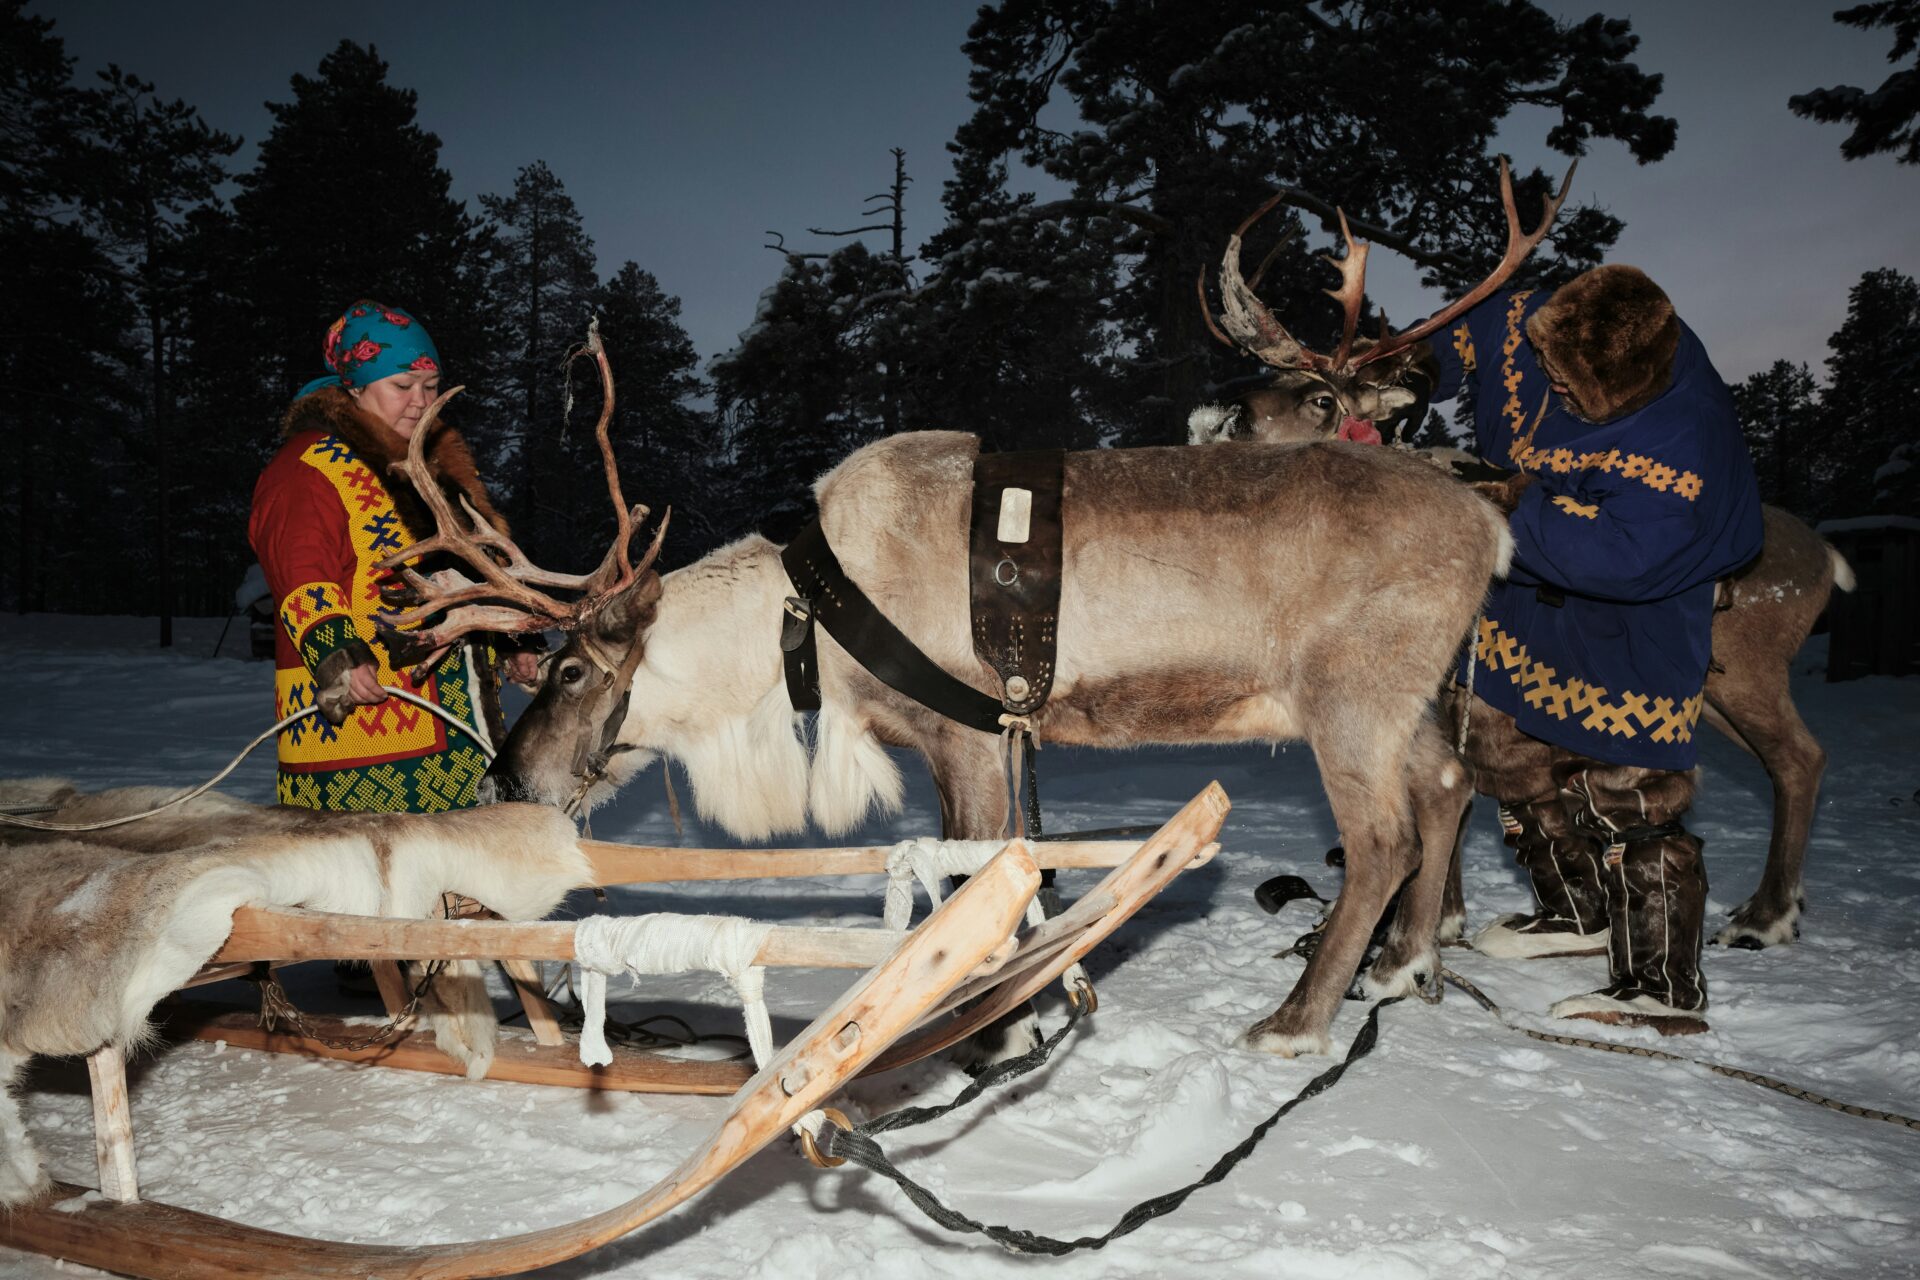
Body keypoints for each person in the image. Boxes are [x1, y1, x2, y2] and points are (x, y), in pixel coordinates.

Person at [1424, 265, 1764, 1032]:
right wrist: (1407, 376)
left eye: (1570, 381)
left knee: (1628, 792)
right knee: (1501, 743)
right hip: (1530, 606)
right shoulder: (1567, 325)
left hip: (1632, 628)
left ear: (1625, 381)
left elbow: (1623, 559)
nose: (1553, 387)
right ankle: (1574, 910)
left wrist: (1507, 502)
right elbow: (1486, 332)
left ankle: (1663, 985)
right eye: (1548, 366)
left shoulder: (1686, 439)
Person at [249, 301, 538, 813]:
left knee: (464, 881)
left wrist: (508, 638)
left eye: (430, 386)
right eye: (401, 386)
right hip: (364, 732)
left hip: (460, 730)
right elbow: (298, 570)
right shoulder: (311, 465)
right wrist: (336, 653)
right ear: (355, 386)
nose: (420, 401)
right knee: (368, 881)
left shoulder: (428, 471)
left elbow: (459, 579)